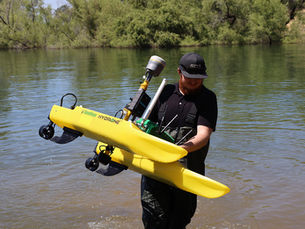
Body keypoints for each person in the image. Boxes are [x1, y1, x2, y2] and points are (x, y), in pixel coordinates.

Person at [141, 52, 218, 229]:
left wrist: (180, 150)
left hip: (187, 172)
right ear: (179, 72)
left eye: (199, 78)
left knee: (179, 221)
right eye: (190, 77)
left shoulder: (208, 98)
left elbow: (203, 135)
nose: (194, 81)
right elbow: (145, 126)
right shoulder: (164, 92)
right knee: (153, 220)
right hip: (155, 170)